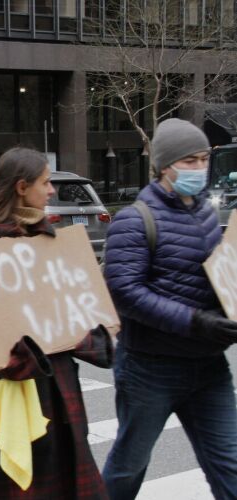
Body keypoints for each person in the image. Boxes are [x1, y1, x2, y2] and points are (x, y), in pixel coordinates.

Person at [0, 147, 112, 498]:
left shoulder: (45, 241)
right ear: (22, 187)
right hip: (7, 398)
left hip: (55, 390)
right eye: (46, 182)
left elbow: (66, 309)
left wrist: (90, 327)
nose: (51, 190)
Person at [102, 118, 237, 499]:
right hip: (149, 370)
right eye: (189, 161)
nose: (199, 168)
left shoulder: (208, 215)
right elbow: (126, 293)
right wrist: (196, 322)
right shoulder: (133, 221)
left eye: (204, 159)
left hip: (209, 368)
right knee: (128, 467)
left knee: (229, 463)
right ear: (165, 166)